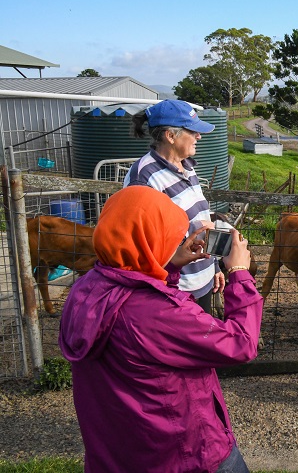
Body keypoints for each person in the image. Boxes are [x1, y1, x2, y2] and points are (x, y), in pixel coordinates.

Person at [58, 185, 263, 472]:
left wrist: (167, 263)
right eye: (169, 236)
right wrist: (239, 274)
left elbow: (137, 293)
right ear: (147, 240)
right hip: (186, 456)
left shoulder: (87, 289)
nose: (177, 240)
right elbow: (241, 344)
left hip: (121, 453)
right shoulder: (156, 313)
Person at [124, 99, 224, 313]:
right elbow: (141, 245)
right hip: (175, 290)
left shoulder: (186, 166)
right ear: (170, 136)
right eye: (193, 131)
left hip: (202, 279)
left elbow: (200, 220)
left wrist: (214, 266)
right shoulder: (144, 178)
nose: (199, 136)